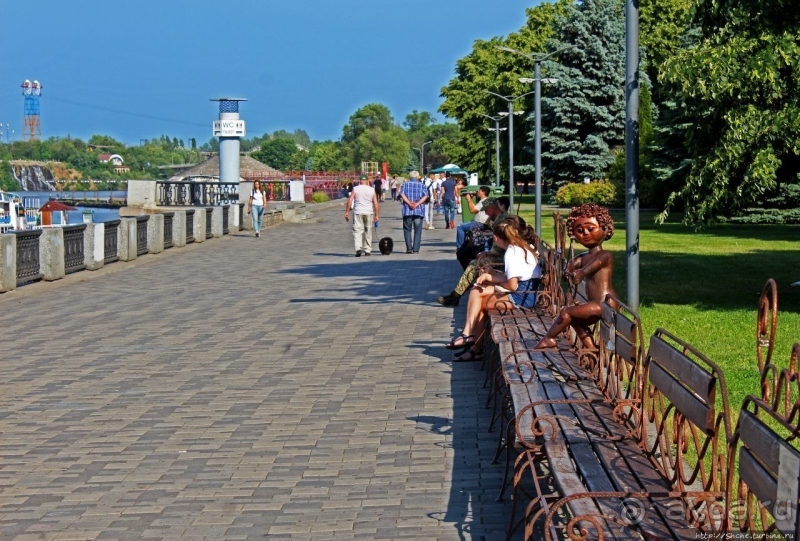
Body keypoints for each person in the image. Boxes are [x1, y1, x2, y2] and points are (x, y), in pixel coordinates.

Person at [446, 216, 542, 361]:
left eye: (494, 237)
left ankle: (470, 339)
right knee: (478, 290)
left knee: (479, 299)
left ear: (497, 238)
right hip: (527, 292)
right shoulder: (520, 247)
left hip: (522, 296)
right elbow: (512, 278)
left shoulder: (512, 252)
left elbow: (512, 285)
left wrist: (494, 285)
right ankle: (471, 343)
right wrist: (491, 276)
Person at [534, 203, 617, 349]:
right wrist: (568, 271)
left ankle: (549, 338)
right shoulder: (584, 256)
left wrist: (581, 273)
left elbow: (593, 266)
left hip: (605, 303)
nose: (585, 233)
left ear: (605, 229)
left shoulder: (605, 255)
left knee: (567, 312)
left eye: (590, 229)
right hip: (597, 304)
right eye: (579, 230)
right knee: (575, 320)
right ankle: (591, 349)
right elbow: (572, 265)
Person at [438, 197, 507, 306]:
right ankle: (460, 290)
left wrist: (486, 253)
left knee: (475, 263)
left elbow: (499, 247)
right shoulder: (498, 218)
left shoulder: (501, 221)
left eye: (486, 210)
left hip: (503, 257)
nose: (485, 212)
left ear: (493, 208)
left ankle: (455, 296)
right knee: (464, 253)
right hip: (498, 252)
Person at [344, 174, 380, 257]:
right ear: (367, 181)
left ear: (360, 181)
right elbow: (375, 203)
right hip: (369, 212)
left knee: (357, 231)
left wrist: (347, 212)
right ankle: (367, 250)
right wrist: (376, 215)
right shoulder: (371, 190)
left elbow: (350, 200)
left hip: (358, 212)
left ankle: (358, 249)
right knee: (368, 231)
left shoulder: (355, 189)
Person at [399, 170, 428, 253]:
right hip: (418, 211)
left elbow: (402, 194)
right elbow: (425, 196)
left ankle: (409, 248)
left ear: (410, 176)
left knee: (407, 230)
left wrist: (409, 203)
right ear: (417, 177)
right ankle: (415, 249)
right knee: (417, 231)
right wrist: (417, 204)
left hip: (407, 211)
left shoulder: (405, 184)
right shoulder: (422, 185)